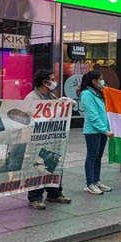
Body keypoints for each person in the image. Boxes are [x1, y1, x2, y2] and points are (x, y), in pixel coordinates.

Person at [23, 70, 72, 209]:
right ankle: (35, 197)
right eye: (51, 79)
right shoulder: (32, 98)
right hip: (37, 139)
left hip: (51, 137)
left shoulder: (50, 95)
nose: (54, 81)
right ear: (44, 82)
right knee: (37, 167)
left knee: (53, 165)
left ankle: (54, 193)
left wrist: (65, 105)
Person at [79, 70, 114, 195]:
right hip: (93, 131)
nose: (102, 81)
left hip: (103, 131)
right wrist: (105, 130)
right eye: (100, 79)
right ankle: (90, 183)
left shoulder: (99, 93)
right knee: (92, 157)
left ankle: (96, 180)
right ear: (93, 81)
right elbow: (93, 116)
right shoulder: (87, 94)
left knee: (98, 157)